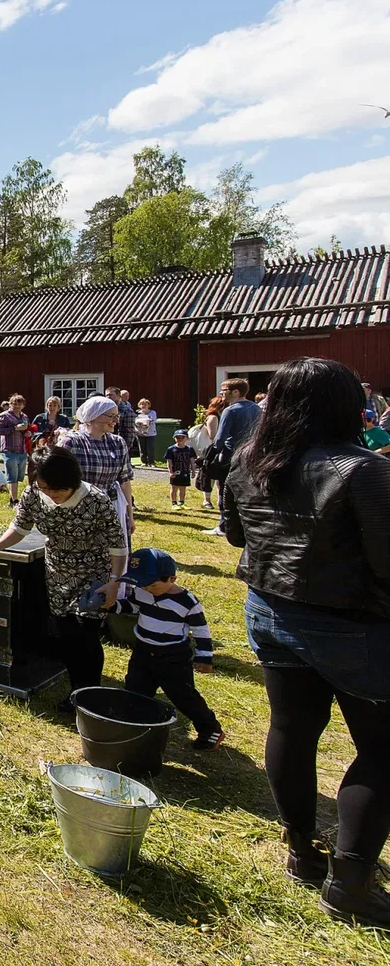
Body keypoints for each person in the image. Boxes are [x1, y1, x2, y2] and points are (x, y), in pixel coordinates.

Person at [224, 357, 390, 927]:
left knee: (292, 730)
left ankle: (302, 849)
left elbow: (234, 534)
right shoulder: (362, 469)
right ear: (347, 406)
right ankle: (349, 882)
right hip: (350, 625)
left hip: (271, 610)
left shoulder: (248, 460)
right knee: (383, 750)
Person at [0, 446, 126, 710]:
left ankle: (87, 695)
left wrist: (115, 582)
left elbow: (118, 545)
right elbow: (19, 526)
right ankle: (77, 689)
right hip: (57, 574)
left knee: (86, 636)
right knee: (67, 635)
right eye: (45, 488)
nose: (51, 495)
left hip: (94, 577)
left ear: (72, 481)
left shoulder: (96, 500)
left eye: (57, 489)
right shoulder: (35, 492)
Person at [109, 548, 224, 750]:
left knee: (183, 696)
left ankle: (210, 728)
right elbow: (132, 607)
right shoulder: (142, 592)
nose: (147, 589)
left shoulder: (186, 602)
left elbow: (201, 630)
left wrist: (205, 657)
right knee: (134, 691)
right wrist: (111, 606)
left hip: (172, 658)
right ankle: (135, 727)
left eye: (153, 585)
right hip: (143, 653)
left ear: (172, 578)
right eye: (143, 585)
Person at [59, 396, 135, 554]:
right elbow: (58, 481)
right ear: (93, 416)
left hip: (113, 505)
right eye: (110, 416)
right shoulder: (72, 442)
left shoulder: (118, 442)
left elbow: (125, 481)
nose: (115, 420)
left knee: (114, 554)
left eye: (116, 416)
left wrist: (130, 515)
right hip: (81, 507)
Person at [204, 377, 260, 537]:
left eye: (224, 391)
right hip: (250, 455)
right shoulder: (256, 408)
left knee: (225, 491)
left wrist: (210, 457)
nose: (221, 394)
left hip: (230, 455)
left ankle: (224, 526)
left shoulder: (231, 410)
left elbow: (220, 439)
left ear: (235, 392)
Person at [0, 395, 32, 506]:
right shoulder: (4, 416)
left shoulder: (24, 417)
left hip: (22, 449)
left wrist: (28, 433)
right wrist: (14, 428)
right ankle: (15, 501)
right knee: (12, 475)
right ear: (10, 404)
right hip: (9, 449)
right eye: (14, 403)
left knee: (19, 476)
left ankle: (12, 500)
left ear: (23, 405)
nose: (17, 406)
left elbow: (28, 430)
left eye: (19, 404)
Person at [165, 428, 195, 508]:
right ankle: (174, 503)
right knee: (174, 487)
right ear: (174, 438)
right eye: (178, 437)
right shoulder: (171, 449)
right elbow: (169, 461)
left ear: (187, 439)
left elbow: (192, 461)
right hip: (175, 471)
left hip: (185, 471)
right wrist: (170, 471)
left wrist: (193, 471)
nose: (180, 439)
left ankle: (182, 502)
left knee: (183, 488)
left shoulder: (189, 449)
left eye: (182, 437)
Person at [135, 398, 160, 467]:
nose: (143, 405)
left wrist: (144, 421)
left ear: (148, 405)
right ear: (139, 405)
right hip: (140, 433)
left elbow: (153, 421)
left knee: (150, 448)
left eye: (145, 404)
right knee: (142, 448)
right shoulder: (137, 413)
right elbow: (136, 422)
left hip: (151, 433)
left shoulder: (153, 412)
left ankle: (151, 462)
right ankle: (144, 462)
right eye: (142, 404)